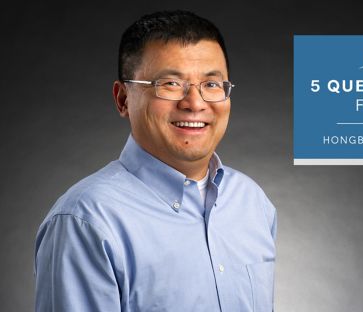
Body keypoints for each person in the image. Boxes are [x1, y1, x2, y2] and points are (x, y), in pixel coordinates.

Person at [34, 10, 277, 312]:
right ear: (123, 99)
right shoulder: (86, 222)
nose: (195, 103)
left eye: (212, 85)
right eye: (170, 84)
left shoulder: (252, 202)